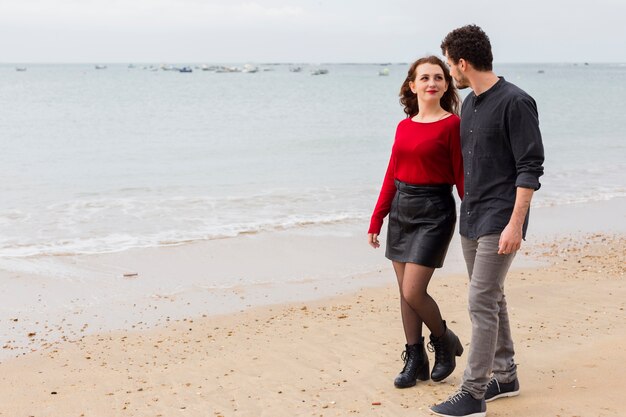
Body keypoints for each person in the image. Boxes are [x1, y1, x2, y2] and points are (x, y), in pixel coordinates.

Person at [430, 25, 545, 417]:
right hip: (472, 216)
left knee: (480, 300)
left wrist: (516, 224)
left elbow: (530, 168)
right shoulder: (470, 105)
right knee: (492, 297)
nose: (449, 72)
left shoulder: (516, 102)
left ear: (462, 63)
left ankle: (474, 392)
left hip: (501, 217)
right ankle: (506, 375)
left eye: (449, 63)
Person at [368, 55, 465, 389]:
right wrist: (377, 218)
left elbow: (461, 174)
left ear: (446, 85)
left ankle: (443, 339)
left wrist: (476, 215)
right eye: (424, 78)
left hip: (435, 211)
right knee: (404, 292)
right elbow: (391, 175)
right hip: (401, 210)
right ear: (413, 85)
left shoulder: (453, 124)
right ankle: (415, 357)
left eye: (438, 77)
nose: (431, 83)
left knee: (414, 289)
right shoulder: (404, 126)